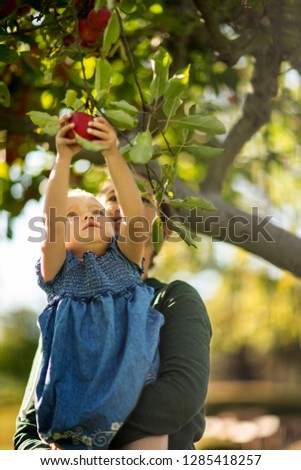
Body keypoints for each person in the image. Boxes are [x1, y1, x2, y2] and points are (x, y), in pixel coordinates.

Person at [14, 139, 212, 452]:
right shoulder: (63, 311)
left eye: (139, 197)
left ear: (164, 226)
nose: (117, 207)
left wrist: (87, 433)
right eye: (110, 200)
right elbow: (28, 429)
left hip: (137, 429)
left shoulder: (173, 297)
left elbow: (179, 395)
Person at [26, 113, 166, 450]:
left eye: (96, 211)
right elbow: (52, 221)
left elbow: (134, 217)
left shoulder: (125, 261)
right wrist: (63, 158)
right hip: (73, 408)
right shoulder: (60, 274)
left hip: (135, 397)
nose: (88, 215)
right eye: (73, 215)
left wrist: (111, 153)